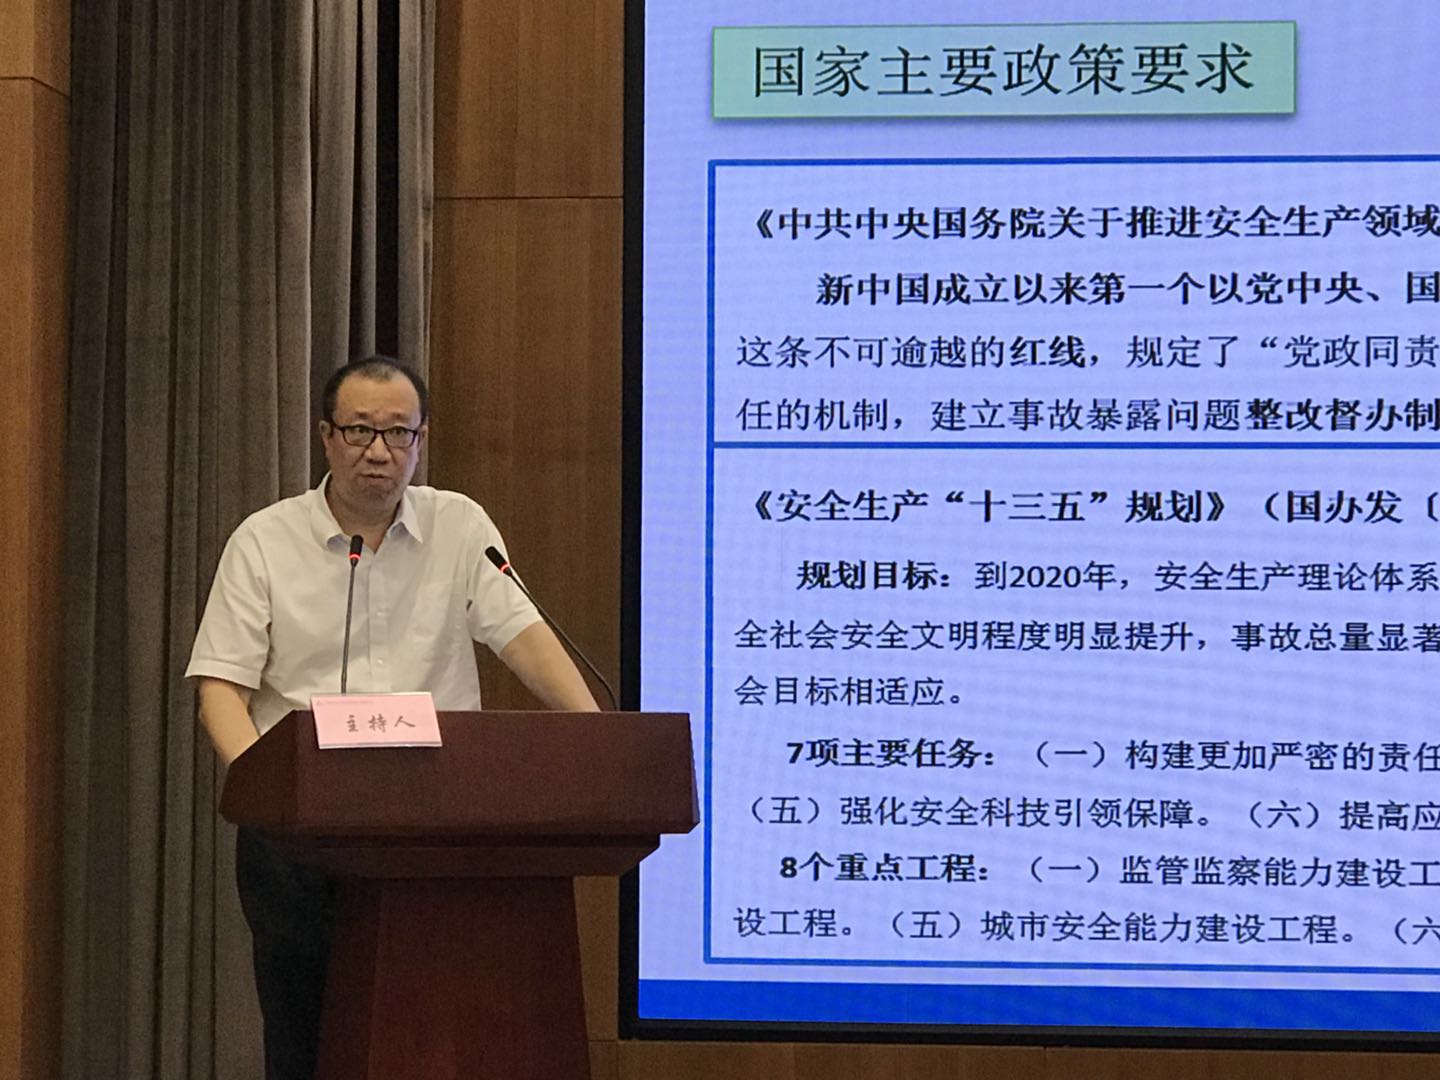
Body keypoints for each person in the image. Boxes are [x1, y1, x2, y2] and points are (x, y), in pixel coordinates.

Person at [186, 355, 598, 1080]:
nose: (378, 451)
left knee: (436, 1028)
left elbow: (524, 638)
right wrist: (264, 791)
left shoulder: (460, 525)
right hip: (301, 832)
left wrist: (594, 733)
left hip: (436, 826)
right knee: (307, 1033)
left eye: (398, 433)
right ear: (326, 436)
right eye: (358, 431)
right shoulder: (264, 539)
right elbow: (221, 688)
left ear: (421, 440)